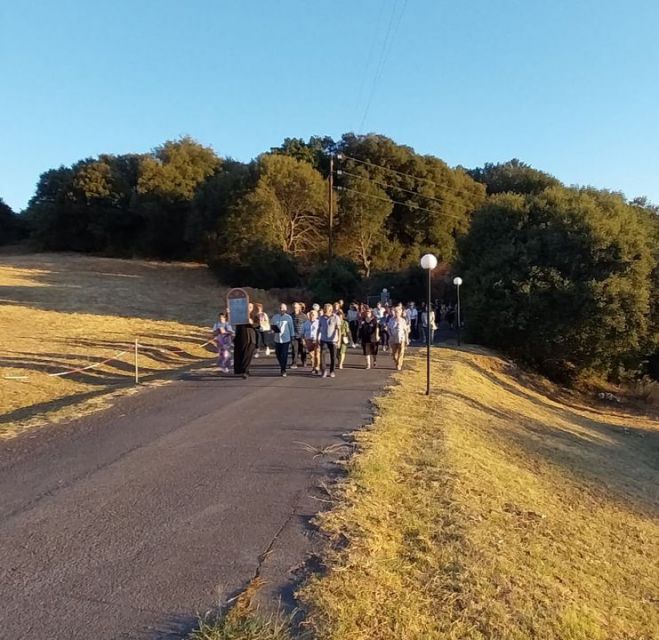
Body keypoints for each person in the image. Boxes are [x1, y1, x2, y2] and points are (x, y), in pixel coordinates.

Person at [233, 303, 258, 378]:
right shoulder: (240, 316)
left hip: (250, 339)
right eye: (247, 307)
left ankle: (245, 371)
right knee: (240, 354)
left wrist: (252, 323)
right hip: (240, 338)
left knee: (247, 355)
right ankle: (239, 370)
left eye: (250, 307)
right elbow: (232, 321)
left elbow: (258, 325)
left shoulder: (255, 316)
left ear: (252, 308)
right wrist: (228, 313)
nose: (249, 308)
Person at [271, 303, 295, 377]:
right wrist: (272, 330)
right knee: (278, 354)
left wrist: (292, 337)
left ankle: (283, 369)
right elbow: (272, 326)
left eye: (283, 308)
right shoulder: (275, 317)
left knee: (284, 354)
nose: (282, 310)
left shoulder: (288, 318)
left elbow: (291, 328)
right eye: (281, 308)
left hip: (286, 339)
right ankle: (282, 365)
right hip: (277, 338)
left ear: (286, 309)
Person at [318, 303, 340, 378]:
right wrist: (318, 337)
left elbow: (338, 329)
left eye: (326, 309)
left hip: (333, 340)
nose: (325, 310)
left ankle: (332, 371)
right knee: (322, 355)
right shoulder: (321, 318)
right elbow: (319, 328)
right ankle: (324, 371)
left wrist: (339, 340)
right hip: (323, 339)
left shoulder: (336, 317)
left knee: (333, 356)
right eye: (324, 309)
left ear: (330, 310)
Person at [387, 305, 410, 371]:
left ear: (401, 312)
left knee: (401, 352)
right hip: (393, 338)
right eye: (396, 311)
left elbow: (406, 331)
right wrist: (390, 335)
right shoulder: (391, 320)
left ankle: (399, 364)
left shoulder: (403, 320)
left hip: (401, 338)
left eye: (398, 312)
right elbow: (388, 328)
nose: (397, 313)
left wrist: (407, 339)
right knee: (394, 354)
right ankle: (396, 361)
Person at [303, 309, 321, 374]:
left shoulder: (319, 322)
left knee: (317, 354)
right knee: (311, 356)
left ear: (316, 316)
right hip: (308, 340)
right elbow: (303, 333)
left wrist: (319, 339)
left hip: (316, 340)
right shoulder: (306, 323)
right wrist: (304, 341)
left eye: (313, 315)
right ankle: (313, 367)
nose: (311, 316)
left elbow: (321, 332)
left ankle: (317, 366)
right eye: (310, 314)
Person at [290, 302, 307, 368]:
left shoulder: (304, 316)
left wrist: (305, 336)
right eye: (294, 307)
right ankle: (294, 363)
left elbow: (306, 326)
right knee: (294, 350)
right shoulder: (291, 316)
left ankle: (304, 361)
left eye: (296, 307)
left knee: (303, 349)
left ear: (299, 308)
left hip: (302, 336)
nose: (295, 309)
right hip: (294, 335)